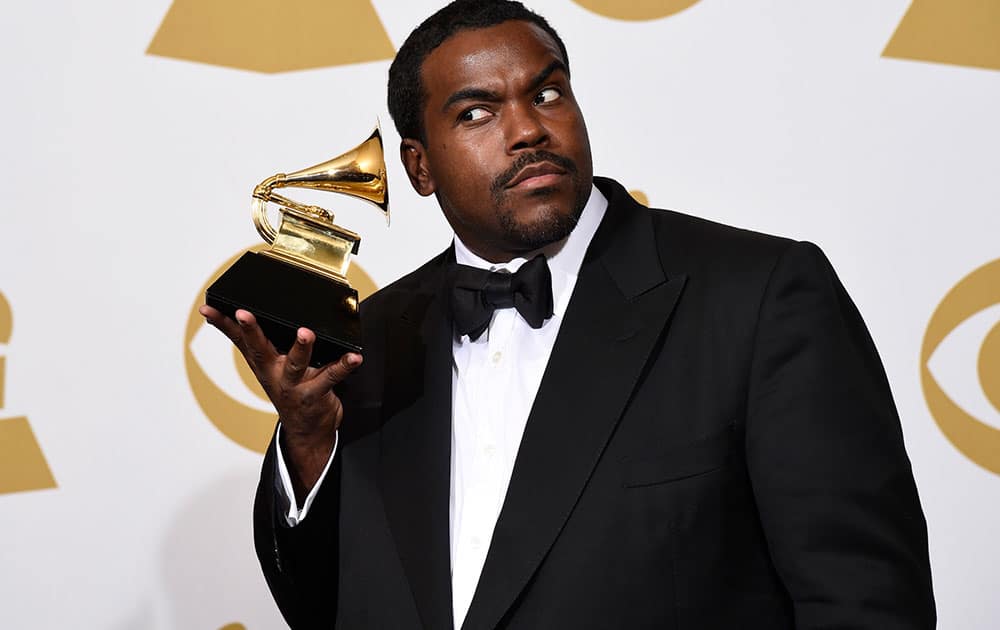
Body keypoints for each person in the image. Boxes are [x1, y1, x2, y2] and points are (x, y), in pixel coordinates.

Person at [200, 1, 935, 628]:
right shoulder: (376, 337)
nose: (527, 131)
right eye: (477, 112)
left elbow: (866, 601)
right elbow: (332, 608)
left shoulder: (759, 295)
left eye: (548, 94)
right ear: (419, 167)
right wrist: (307, 444)